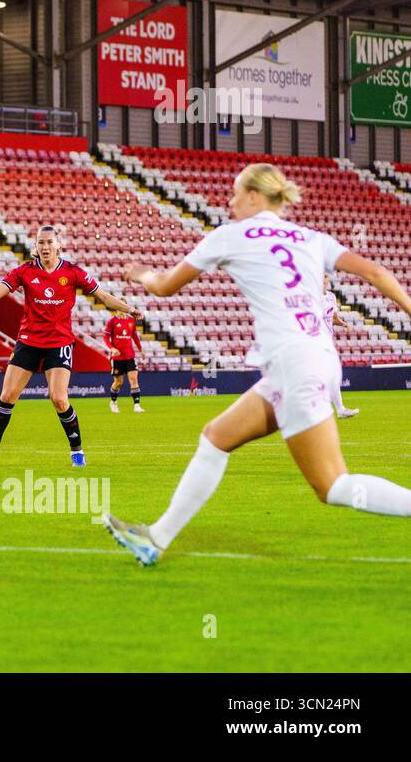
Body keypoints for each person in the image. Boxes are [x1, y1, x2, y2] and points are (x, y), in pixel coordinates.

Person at [104, 164, 411, 566]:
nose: (230, 205)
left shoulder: (231, 236)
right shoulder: (311, 238)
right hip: (314, 357)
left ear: (253, 196)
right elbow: (374, 271)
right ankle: (156, 539)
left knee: (332, 485)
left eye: (234, 195)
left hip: (293, 363)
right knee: (216, 436)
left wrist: (140, 272)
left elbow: (164, 286)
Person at [0, 225, 138, 468]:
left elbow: (103, 296)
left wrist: (129, 310)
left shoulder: (73, 272)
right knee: (7, 395)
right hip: (29, 342)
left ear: (58, 245)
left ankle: (77, 453)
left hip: (59, 343)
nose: (45, 247)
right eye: (40, 243)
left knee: (59, 399)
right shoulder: (24, 271)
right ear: (36, 246)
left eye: (49, 242)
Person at [322, 274, 359, 419]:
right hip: (314, 343)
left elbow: (333, 318)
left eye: (325, 279)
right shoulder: (310, 298)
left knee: (333, 375)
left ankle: (340, 409)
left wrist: (343, 324)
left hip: (327, 343)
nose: (323, 281)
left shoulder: (331, 297)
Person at [104, 309, 144, 413]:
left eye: (123, 308)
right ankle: (113, 402)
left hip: (130, 356)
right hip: (117, 358)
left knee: (134, 379)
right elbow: (105, 337)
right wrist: (112, 348)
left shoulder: (131, 321)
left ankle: (137, 405)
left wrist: (141, 349)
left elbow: (135, 336)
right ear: (116, 309)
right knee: (118, 382)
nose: (121, 311)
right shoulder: (112, 321)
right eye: (119, 308)